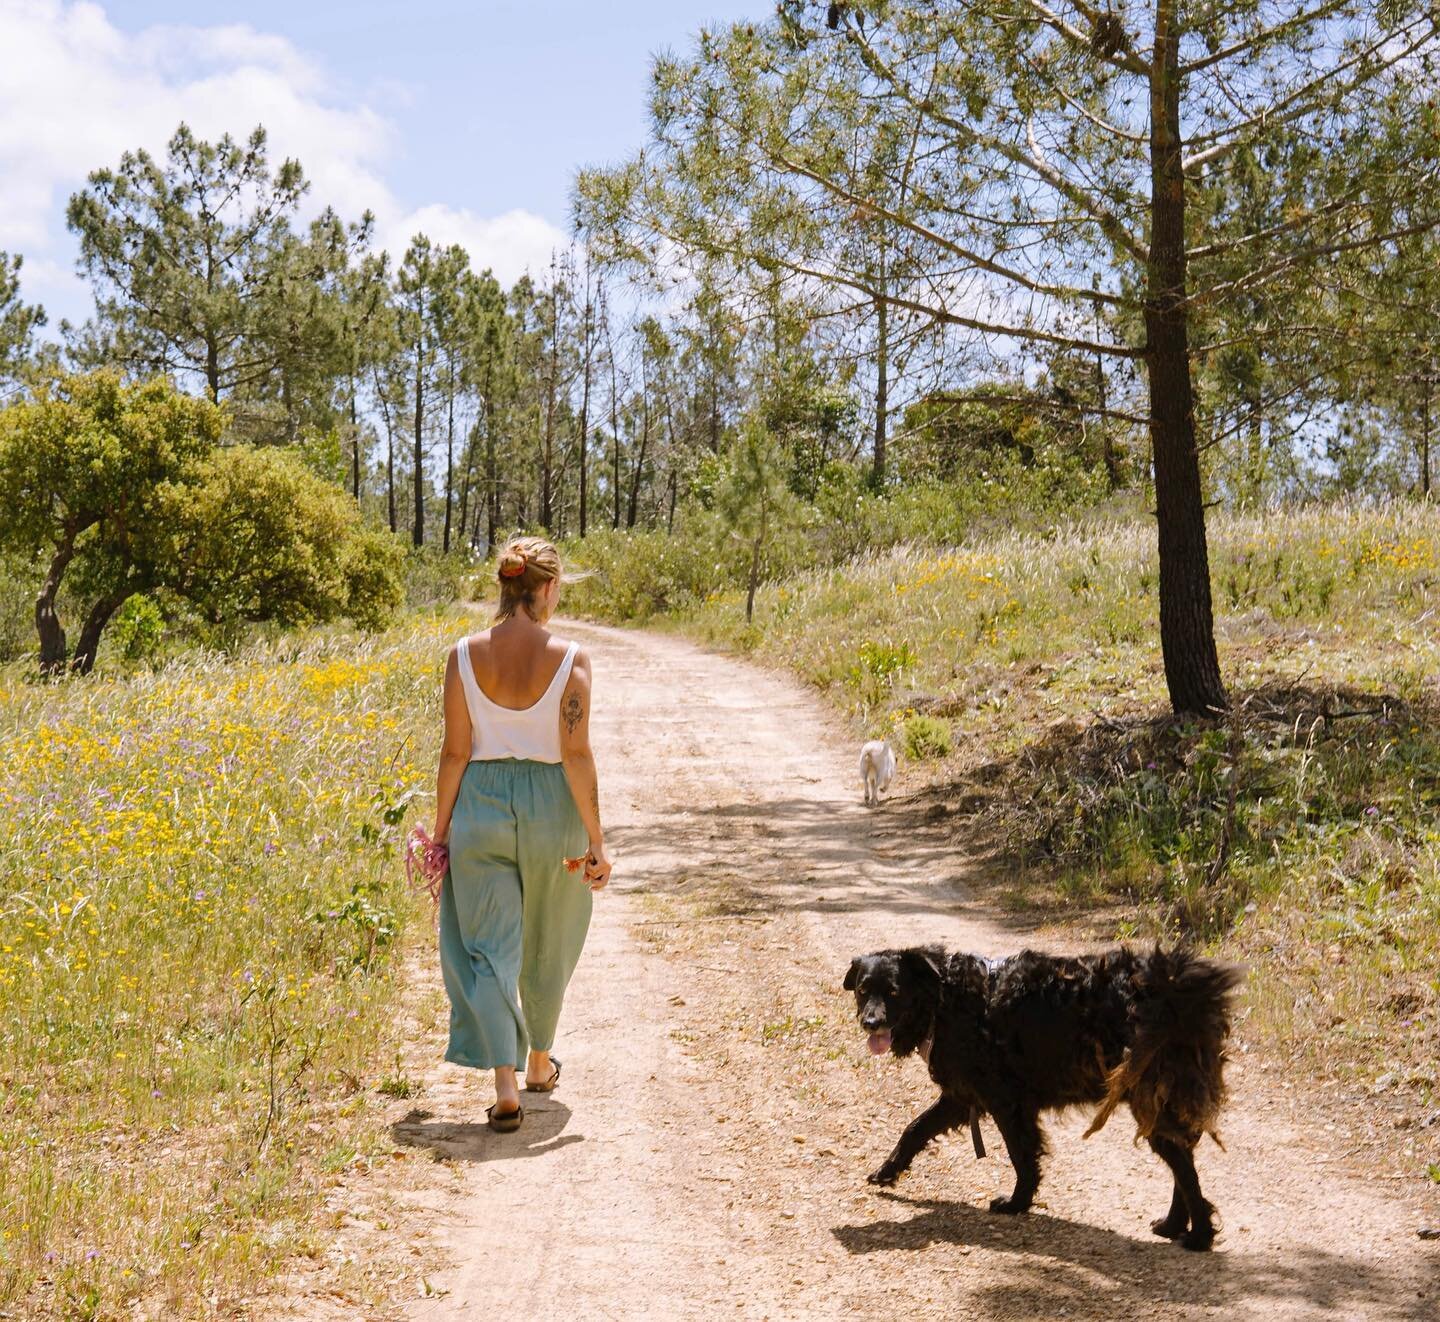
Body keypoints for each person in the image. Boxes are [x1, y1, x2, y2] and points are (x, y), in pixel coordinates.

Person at [429, 535, 612, 1132]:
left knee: (486, 947)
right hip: (551, 809)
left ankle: (506, 1084)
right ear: (549, 588)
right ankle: (540, 1060)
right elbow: (576, 754)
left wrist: (440, 835)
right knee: (550, 935)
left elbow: (455, 752)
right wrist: (597, 842)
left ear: (505, 586)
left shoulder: (462, 655)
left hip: (479, 805)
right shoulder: (572, 658)